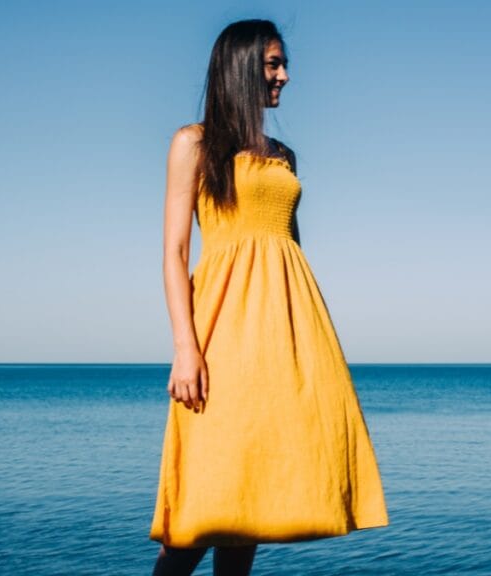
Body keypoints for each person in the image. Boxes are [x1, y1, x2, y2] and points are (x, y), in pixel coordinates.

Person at [151, 19, 388, 576]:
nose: (285, 75)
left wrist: (307, 343)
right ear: (240, 67)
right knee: (204, 505)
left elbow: (289, 246)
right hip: (223, 327)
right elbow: (173, 253)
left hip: (287, 328)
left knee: (251, 503)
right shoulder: (194, 143)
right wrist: (186, 348)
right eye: (273, 64)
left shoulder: (285, 155)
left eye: (284, 64)